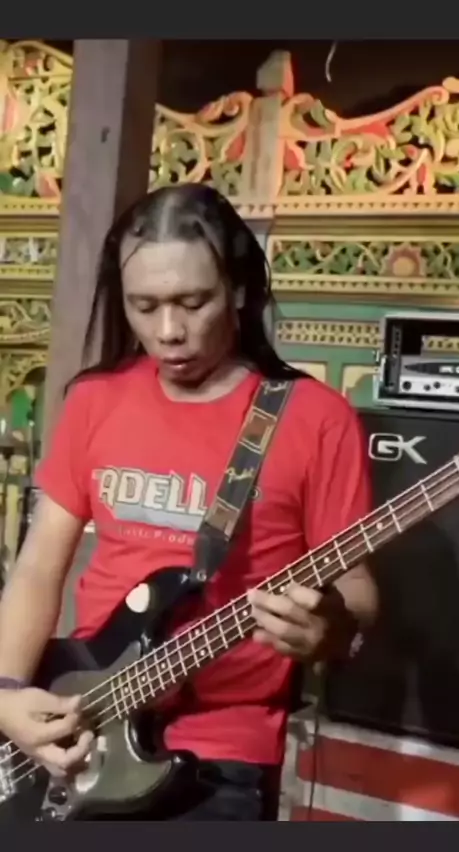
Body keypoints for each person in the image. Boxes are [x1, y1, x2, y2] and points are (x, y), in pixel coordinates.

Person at [0, 184, 378, 821]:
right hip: (82, 715)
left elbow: (357, 586)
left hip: (222, 752)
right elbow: (39, 566)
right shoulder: (95, 400)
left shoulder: (316, 419)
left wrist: (331, 630)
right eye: (144, 307)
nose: (168, 331)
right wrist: (7, 693)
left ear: (237, 290)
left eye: (193, 303)